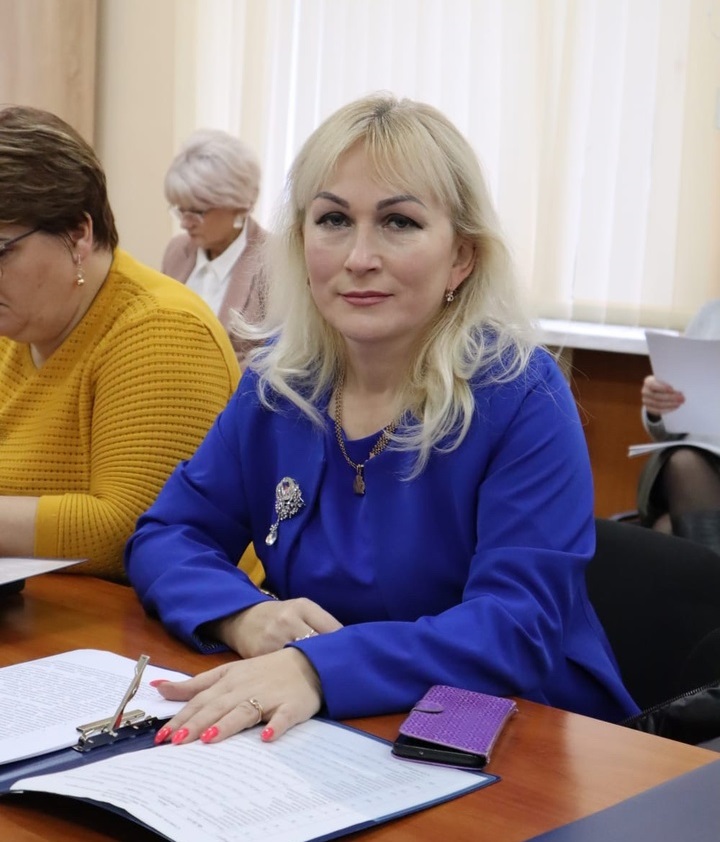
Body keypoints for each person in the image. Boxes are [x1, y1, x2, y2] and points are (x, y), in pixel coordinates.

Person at [125, 93, 638, 747]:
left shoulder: (521, 394)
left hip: (517, 731)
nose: (359, 256)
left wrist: (317, 667)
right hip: (334, 731)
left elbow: (516, 628)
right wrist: (242, 616)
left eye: (399, 222)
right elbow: (168, 534)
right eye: (333, 219)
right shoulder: (278, 384)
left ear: (462, 256)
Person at [0, 104, 261, 584]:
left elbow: (133, 529)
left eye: (1, 250)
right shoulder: (15, 327)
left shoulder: (162, 329)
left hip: (139, 621)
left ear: (77, 234)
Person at [161, 129, 266, 362]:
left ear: (240, 205)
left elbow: (274, 361)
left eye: (197, 212)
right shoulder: (176, 251)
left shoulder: (277, 263)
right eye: (180, 210)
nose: (185, 223)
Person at [638, 299, 720, 552]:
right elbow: (667, 432)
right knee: (684, 463)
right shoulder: (711, 314)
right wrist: (658, 407)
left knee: (666, 531)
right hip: (702, 469)